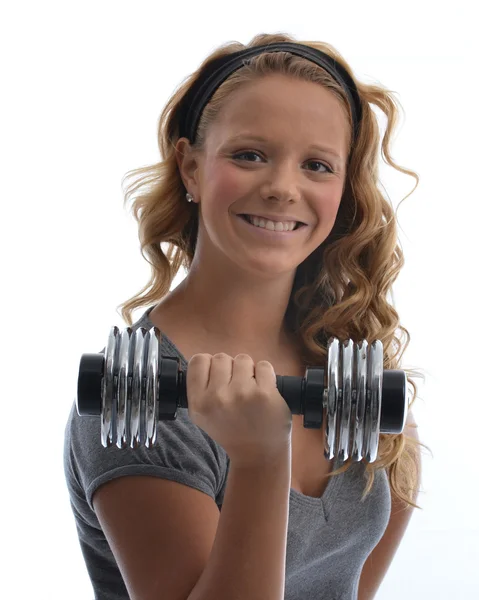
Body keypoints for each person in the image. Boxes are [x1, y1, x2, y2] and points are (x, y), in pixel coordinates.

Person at [64, 32, 425, 600]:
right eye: (249, 155)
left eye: (317, 165)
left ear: (344, 189)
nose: (283, 188)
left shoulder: (349, 363)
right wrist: (259, 460)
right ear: (189, 167)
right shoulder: (133, 406)